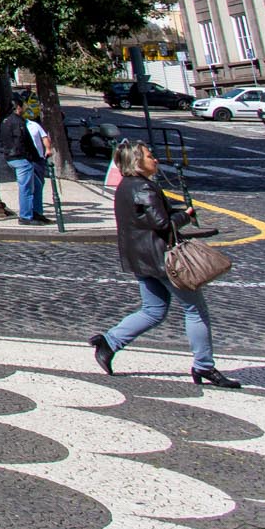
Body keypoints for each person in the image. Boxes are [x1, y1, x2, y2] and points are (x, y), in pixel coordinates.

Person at [92, 141, 238, 388]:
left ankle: (109, 342)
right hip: (163, 260)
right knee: (195, 310)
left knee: (153, 310)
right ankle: (204, 366)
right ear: (138, 161)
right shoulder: (145, 188)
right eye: (150, 156)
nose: (155, 160)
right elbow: (161, 223)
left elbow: (145, 219)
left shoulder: (125, 186)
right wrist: (186, 216)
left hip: (140, 259)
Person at [0, 100, 50, 224]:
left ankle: (36, 212)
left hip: (12, 157)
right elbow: (24, 141)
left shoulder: (5, 121)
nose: (24, 108)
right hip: (21, 158)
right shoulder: (18, 122)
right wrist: (33, 157)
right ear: (18, 107)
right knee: (26, 187)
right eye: (22, 106)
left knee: (37, 185)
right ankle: (25, 216)